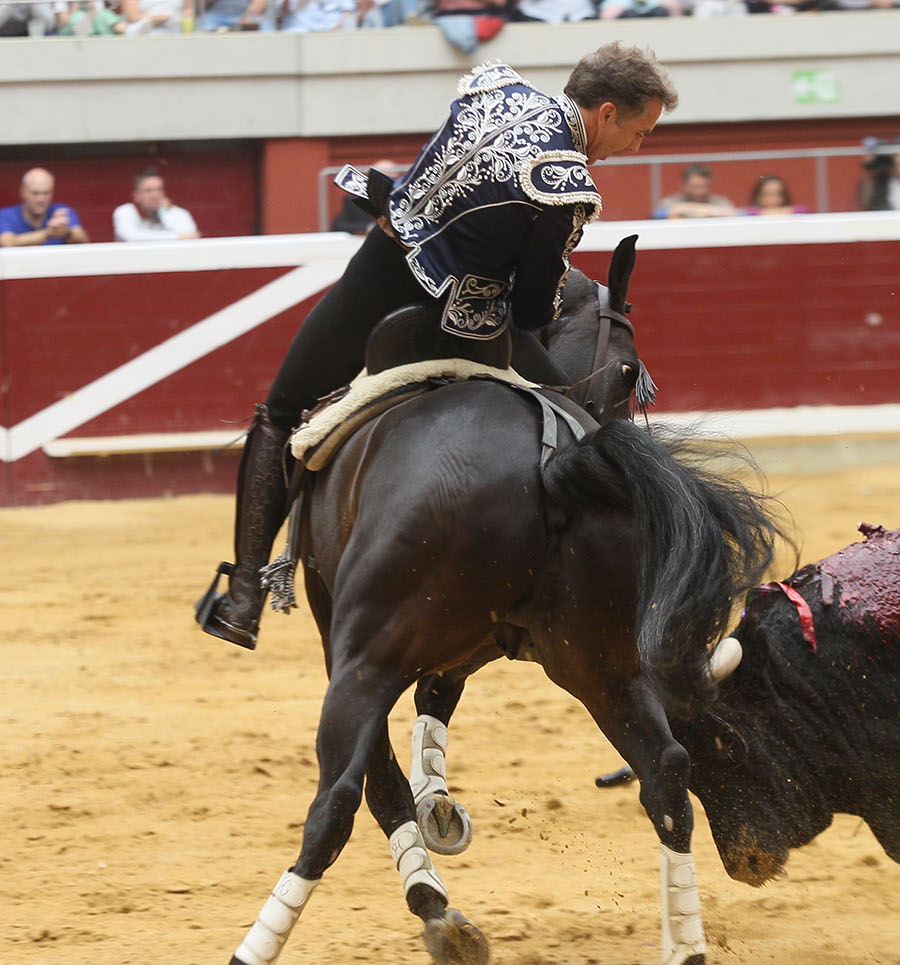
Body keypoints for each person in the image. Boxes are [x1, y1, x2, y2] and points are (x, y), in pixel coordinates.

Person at [196, 43, 677, 649]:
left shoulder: (496, 88)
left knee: (283, 412)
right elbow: (532, 309)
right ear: (606, 113)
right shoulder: (567, 184)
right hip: (469, 325)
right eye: (639, 132)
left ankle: (244, 595)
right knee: (574, 422)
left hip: (382, 279)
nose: (636, 147)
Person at [0, 168, 90, 247]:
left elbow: (83, 239)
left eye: (46, 193)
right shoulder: (6, 216)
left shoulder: (62, 211)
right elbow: (6, 242)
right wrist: (48, 233)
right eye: (35, 193)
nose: (41, 199)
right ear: (23, 192)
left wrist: (67, 232)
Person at [113, 170, 201, 242]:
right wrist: (177, 237)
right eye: (148, 191)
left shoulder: (179, 213)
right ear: (136, 196)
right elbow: (131, 237)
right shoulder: (125, 211)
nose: (155, 196)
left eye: (159, 190)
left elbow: (190, 237)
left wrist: (163, 212)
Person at [655, 164, 735, 218]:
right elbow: (660, 213)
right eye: (695, 187)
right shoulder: (671, 201)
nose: (700, 192)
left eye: (703, 187)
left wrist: (689, 209)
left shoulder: (720, 201)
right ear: (684, 185)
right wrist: (711, 211)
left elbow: (731, 213)